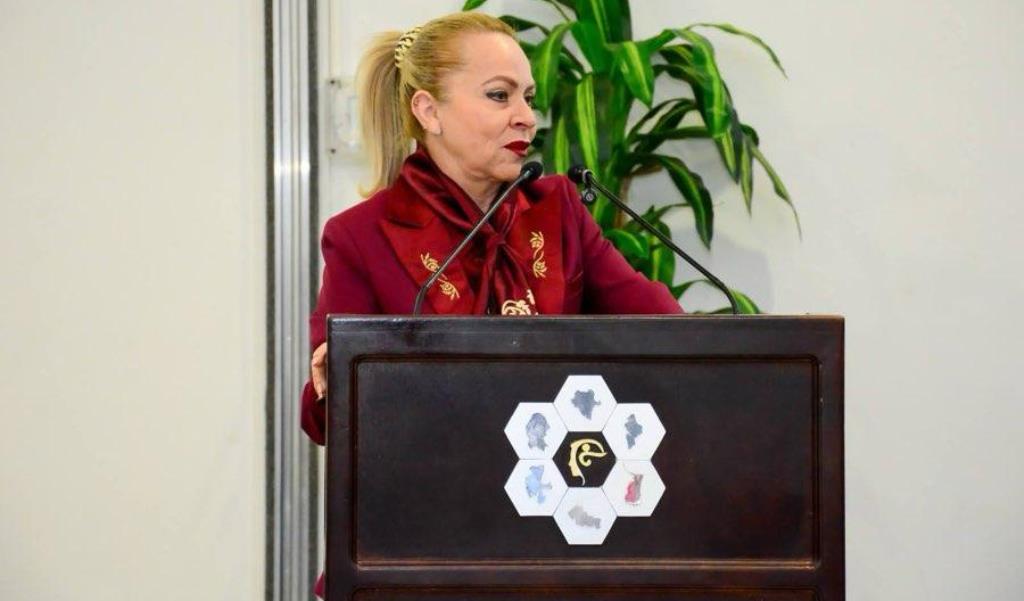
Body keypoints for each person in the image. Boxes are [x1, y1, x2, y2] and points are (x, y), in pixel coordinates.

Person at [300, 11, 683, 596]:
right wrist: (334, 382)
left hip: (554, 546)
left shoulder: (558, 209)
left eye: (529, 97)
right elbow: (322, 421)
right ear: (428, 111)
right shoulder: (361, 234)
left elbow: (668, 333)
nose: (526, 116)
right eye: (500, 95)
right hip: (423, 552)